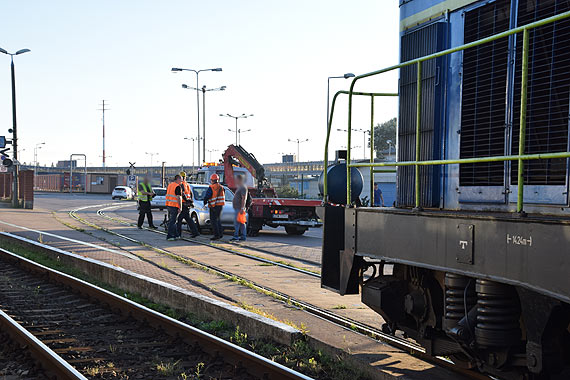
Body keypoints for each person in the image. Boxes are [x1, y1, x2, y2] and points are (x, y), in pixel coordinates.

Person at [177, 171, 200, 238]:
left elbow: (182, 194)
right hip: (187, 204)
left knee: (179, 220)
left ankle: (178, 234)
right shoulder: (187, 184)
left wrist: (187, 201)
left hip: (184, 204)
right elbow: (190, 194)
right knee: (188, 219)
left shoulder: (181, 185)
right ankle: (195, 232)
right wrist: (190, 202)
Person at [203, 173, 225, 240]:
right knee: (218, 220)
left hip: (213, 206)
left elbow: (207, 196)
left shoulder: (211, 187)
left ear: (212, 180)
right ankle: (220, 234)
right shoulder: (222, 187)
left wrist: (204, 202)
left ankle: (216, 235)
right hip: (220, 206)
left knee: (213, 221)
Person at [230, 174, 248, 242]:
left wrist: (242, 208)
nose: (236, 181)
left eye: (237, 179)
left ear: (240, 179)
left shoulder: (243, 187)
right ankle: (242, 236)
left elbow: (243, 198)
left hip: (239, 208)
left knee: (238, 223)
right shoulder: (240, 187)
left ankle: (236, 236)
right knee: (241, 223)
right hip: (238, 208)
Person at [165, 175, 183, 241]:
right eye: (181, 179)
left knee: (173, 221)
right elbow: (179, 197)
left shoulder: (170, 185)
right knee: (172, 222)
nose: (182, 181)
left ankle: (176, 235)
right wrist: (180, 207)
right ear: (178, 179)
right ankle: (170, 236)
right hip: (174, 206)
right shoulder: (178, 186)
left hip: (169, 205)